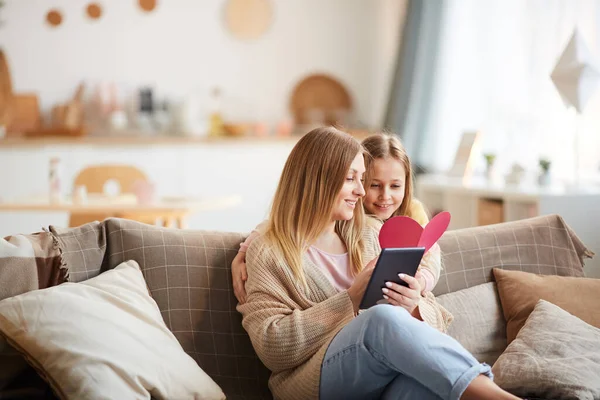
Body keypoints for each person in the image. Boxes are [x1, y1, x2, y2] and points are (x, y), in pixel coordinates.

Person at [237, 127, 520, 400]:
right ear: (317, 180)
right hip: (312, 383)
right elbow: (272, 346)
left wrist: (413, 307)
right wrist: (349, 299)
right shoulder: (269, 251)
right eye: (352, 179)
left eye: (362, 180)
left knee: (431, 383)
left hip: (383, 379)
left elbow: (436, 321)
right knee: (379, 319)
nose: (361, 192)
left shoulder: (370, 234)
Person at [232, 131, 440, 304]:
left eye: (395, 186)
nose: (384, 196)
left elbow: (431, 253)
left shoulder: (410, 213)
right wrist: (244, 251)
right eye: (373, 185)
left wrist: (419, 285)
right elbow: (282, 223)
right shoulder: (347, 220)